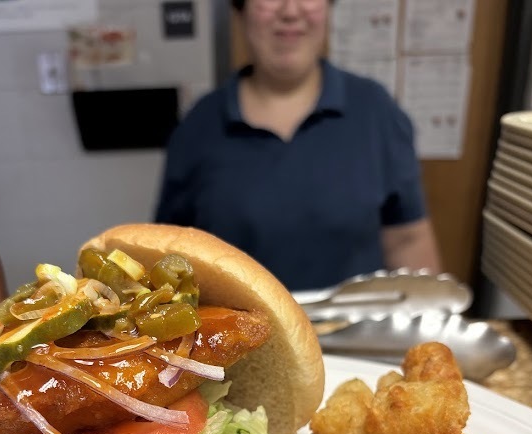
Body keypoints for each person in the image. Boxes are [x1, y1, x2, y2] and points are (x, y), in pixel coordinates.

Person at [154, 0, 441, 292]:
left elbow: (408, 240)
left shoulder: (375, 111)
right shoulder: (197, 127)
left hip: (357, 321)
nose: (290, 11)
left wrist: (432, 313)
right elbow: (171, 258)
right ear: (241, 10)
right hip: (239, 322)